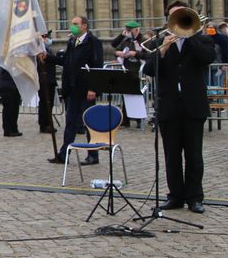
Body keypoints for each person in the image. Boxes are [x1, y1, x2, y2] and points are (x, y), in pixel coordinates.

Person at [142, 1, 217, 213]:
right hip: (169, 106)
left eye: (181, 16)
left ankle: (195, 197)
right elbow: (149, 69)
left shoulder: (202, 40)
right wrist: (164, 48)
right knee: (171, 155)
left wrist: (188, 36)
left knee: (194, 155)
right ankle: (175, 196)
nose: (177, 20)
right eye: (173, 16)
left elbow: (208, 58)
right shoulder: (162, 42)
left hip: (193, 105)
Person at [47, 15, 103, 164]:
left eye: (75, 24)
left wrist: (93, 88)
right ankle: (63, 154)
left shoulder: (93, 42)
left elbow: (97, 65)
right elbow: (65, 61)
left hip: (86, 90)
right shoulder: (72, 42)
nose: (72, 26)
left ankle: (93, 155)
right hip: (73, 89)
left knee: (89, 123)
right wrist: (47, 57)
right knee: (70, 123)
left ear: (84, 26)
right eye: (72, 24)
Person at [110, 20, 146, 128]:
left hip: (138, 72)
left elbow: (148, 54)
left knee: (137, 96)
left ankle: (139, 119)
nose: (128, 32)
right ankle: (125, 119)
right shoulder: (126, 41)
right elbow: (114, 46)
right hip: (126, 70)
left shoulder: (143, 40)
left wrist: (136, 53)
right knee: (125, 96)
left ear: (136, 29)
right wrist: (118, 53)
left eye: (129, 30)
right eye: (127, 30)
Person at [36, 33, 57, 133]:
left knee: (48, 103)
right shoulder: (40, 49)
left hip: (49, 79)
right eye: (45, 37)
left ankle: (47, 123)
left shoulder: (46, 48)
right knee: (46, 103)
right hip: (45, 80)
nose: (47, 39)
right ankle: (45, 125)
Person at [0, 66, 22, 136]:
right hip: (7, 86)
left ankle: (14, 128)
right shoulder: (5, 61)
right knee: (8, 108)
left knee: (15, 107)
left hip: (15, 85)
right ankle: (8, 130)